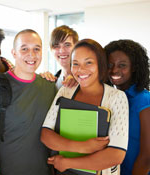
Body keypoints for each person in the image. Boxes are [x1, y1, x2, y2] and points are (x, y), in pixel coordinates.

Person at [41, 39, 129, 175]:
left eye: (88, 62)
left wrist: (67, 162)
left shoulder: (116, 97)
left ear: (101, 64)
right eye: (75, 64)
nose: (81, 70)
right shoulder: (66, 91)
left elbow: (116, 155)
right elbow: (46, 134)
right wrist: (83, 147)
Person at [0, 29, 57, 175]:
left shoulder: (50, 86)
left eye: (36, 49)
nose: (31, 55)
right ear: (14, 53)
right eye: (24, 49)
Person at [105, 39, 150, 175]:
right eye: (110, 64)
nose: (114, 70)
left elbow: (147, 156)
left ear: (134, 67)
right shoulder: (111, 98)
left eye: (122, 65)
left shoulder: (145, 100)